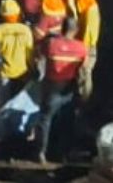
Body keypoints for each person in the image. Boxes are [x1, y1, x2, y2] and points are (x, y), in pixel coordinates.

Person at [34, 23, 89, 162]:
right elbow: (84, 69)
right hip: (69, 88)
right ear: (75, 30)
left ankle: (41, 152)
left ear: (62, 28)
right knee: (66, 120)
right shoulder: (81, 48)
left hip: (51, 86)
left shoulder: (50, 44)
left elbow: (38, 55)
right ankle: (62, 153)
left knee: (45, 119)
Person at [0, 0, 37, 103]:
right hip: (22, 70)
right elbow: (29, 51)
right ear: (18, 13)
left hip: (5, 70)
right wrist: (31, 67)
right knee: (21, 99)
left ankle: (3, 116)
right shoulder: (25, 30)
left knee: (4, 100)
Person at [71, 0, 101, 102]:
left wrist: (83, 55)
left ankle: (83, 100)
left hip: (86, 49)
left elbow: (87, 36)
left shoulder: (91, 12)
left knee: (84, 75)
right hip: (85, 46)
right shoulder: (88, 8)